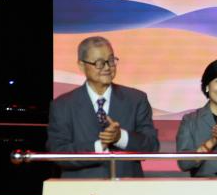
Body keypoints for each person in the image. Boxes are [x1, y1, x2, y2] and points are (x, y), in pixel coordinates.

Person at [47, 36, 159, 178]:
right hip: (80, 188)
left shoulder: (136, 99)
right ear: (81, 65)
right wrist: (98, 147)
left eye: (111, 61)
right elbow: (58, 152)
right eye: (99, 63)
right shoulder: (62, 105)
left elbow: (151, 146)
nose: (107, 67)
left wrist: (121, 137)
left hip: (126, 187)